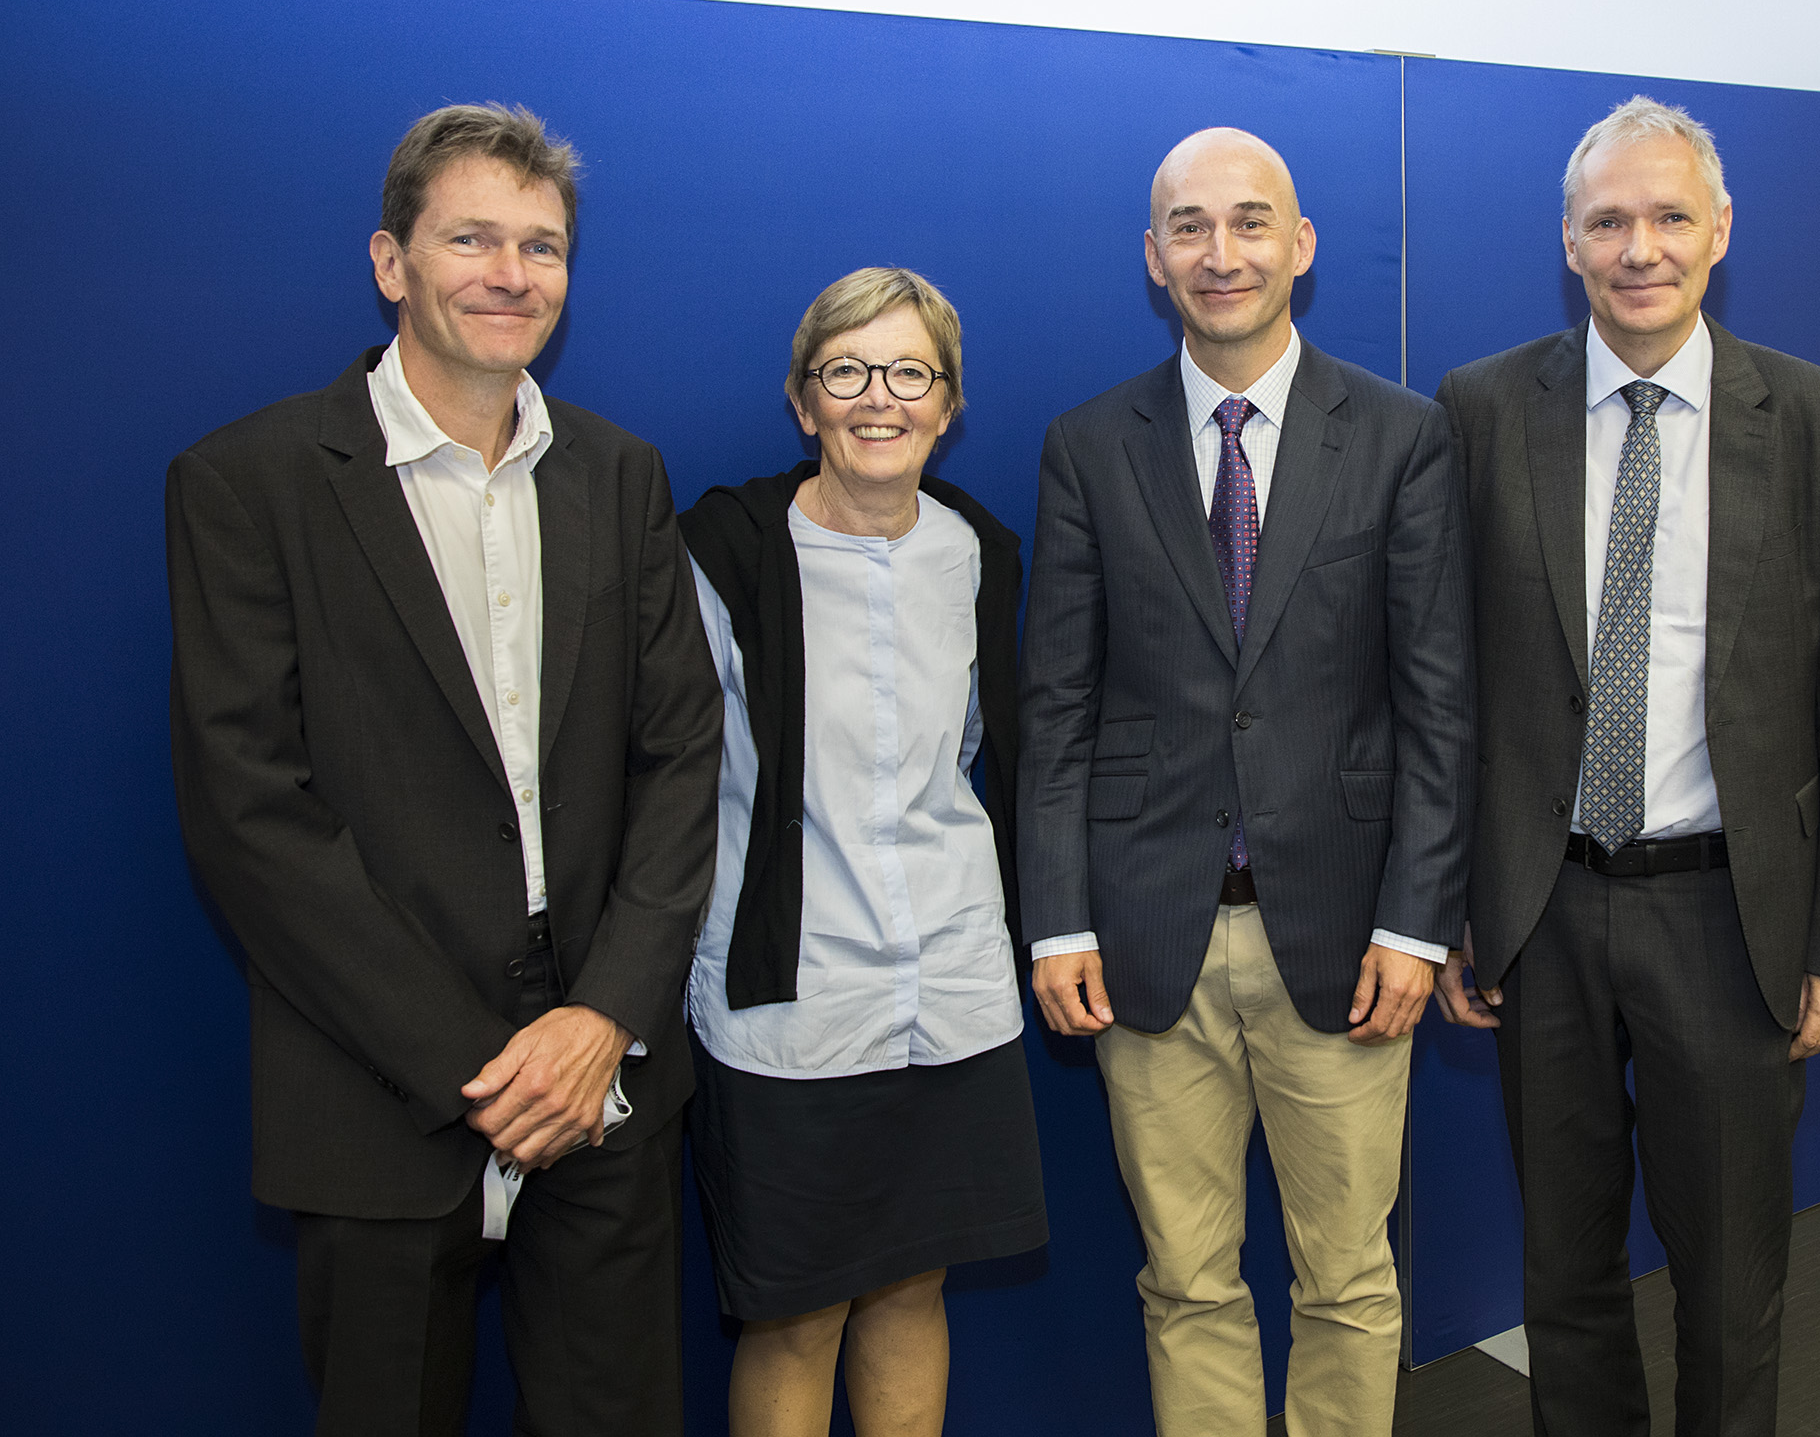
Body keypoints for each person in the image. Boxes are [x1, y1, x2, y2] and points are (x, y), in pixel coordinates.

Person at [166, 103, 723, 1436]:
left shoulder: (621, 475)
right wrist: (478, 1064)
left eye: (542, 245)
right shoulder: (248, 481)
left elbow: (679, 755)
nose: (510, 273)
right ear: (390, 261)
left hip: (603, 1080)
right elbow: (250, 812)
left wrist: (600, 1020)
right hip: (377, 1082)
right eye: (471, 238)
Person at [1431, 96, 1820, 1436]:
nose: (1640, 248)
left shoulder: (1808, 416)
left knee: (1730, 1279)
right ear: (1567, 241)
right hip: (1542, 913)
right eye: (1608, 221)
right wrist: (1452, 902)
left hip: (1729, 917)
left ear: (1720, 230)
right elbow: (1448, 683)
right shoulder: (1479, 408)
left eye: (1669, 216)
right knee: (1563, 1272)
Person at [1019, 128, 1475, 1436]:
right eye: (1189, 226)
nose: (1220, 253)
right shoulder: (1087, 444)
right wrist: (1056, 916)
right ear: (1151, 256)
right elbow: (1055, 704)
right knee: (1184, 1279)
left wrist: (1414, 924)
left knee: (1347, 1277)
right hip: (1144, 936)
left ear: (1301, 244)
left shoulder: (1399, 436)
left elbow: (1437, 705)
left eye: (1249, 221)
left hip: (1344, 940)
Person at [676, 267, 1047, 1437]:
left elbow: (976, 754)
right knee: (795, 1314)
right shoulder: (721, 553)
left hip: (948, 990)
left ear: (947, 405)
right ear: (803, 401)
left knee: (911, 1282)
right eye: (844, 371)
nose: (877, 398)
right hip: (794, 1005)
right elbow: (668, 774)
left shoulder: (978, 551)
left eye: (908, 373)